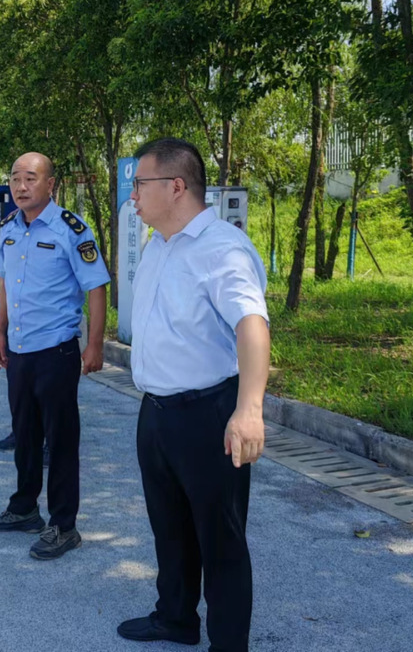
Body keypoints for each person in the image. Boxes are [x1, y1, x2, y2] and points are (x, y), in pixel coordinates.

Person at [119, 138, 270, 652]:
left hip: (207, 414)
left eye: (140, 184)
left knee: (220, 539)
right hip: (156, 412)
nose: (133, 195)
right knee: (169, 528)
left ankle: (228, 643)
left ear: (176, 186)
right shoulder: (159, 244)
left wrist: (249, 410)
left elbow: (252, 324)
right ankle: (176, 617)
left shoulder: (222, 248)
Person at [0, 152, 110, 560]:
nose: (21, 186)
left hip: (56, 351)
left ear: (51, 184)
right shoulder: (9, 229)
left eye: (31, 178)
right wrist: (0, 333)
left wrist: (95, 344)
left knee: (60, 440)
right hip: (19, 352)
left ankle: (64, 525)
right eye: (15, 178)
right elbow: (5, 288)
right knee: (24, 435)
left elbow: (96, 287)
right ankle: (24, 508)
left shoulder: (71, 229)